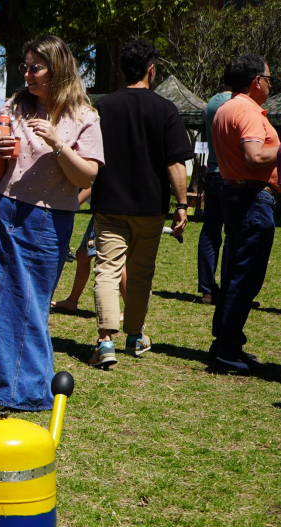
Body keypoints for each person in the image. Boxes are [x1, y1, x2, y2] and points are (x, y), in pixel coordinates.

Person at [0, 35, 104, 411]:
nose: (27, 73)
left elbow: (87, 177)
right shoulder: (15, 104)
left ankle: (25, 389)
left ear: (58, 68)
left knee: (29, 302)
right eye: (25, 66)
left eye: (35, 67)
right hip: (0, 211)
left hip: (48, 220)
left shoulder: (84, 116)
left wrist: (58, 144)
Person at [87, 39, 192, 369]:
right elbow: (175, 164)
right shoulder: (165, 109)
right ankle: (134, 336)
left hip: (109, 203)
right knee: (141, 273)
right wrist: (182, 204)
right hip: (149, 206)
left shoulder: (102, 107)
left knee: (106, 269)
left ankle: (105, 341)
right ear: (151, 69)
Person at [209, 54, 279, 371]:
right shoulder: (248, 110)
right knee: (246, 278)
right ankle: (227, 348)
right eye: (269, 78)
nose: (270, 83)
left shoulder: (225, 108)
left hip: (235, 195)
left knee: (234, 273)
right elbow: (253, 154)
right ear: (256, 81)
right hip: (253, 199)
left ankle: (226, 341)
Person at [51, 189, 128, 315]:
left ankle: (130, 310)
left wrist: (70, 207)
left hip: (107, 211)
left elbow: (92, 185)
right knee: (82, 255)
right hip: (101, 210)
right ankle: (72, 301)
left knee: (111, 259)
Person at [199, 79, 233, 305]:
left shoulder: (210, 103)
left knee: (210, 233)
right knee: (234, 234)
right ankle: (232, 289)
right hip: (230, 175)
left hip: (210, 172)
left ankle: (207, 290)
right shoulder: (236, 103)